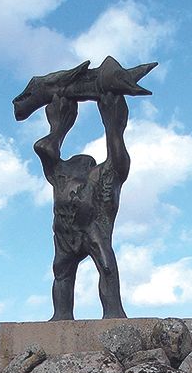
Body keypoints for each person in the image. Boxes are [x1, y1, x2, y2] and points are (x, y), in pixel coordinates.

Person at [34, 92, 130, 320]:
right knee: (62, 273)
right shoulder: (60, 176)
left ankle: (113, 312)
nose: (73, 167)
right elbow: (44, 147)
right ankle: (61, 315)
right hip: (65, 233)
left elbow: (117, 151)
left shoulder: (103, 176)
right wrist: (59, 123)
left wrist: (111, 116)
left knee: (106, 267)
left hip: (92, 229)